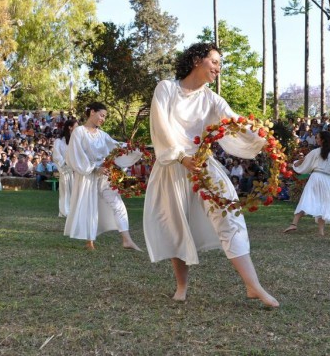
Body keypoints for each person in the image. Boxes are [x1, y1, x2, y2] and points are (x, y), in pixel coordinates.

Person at [143, 42, 278, 307]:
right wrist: (181, 157)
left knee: (230, 216)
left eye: (219, 63)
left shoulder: (212, 100)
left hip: (204, 166)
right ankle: (181, 286)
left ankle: (253, 286)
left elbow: (235, 124)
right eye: (214, 61)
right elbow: (160, 126)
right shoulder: (166, 89)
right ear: (196, 60)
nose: (218, 68)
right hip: (172, 166)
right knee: (177, 226)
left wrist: (266, 141)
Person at [64, 102, 141, 252]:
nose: (103, 119)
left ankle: (127, 239)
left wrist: (136, 150)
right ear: (92, 112)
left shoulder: (102, 135)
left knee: (118, 204)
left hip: (104, 177)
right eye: (102, 115)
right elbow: (76, 155)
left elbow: (116, 146)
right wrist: (94, 168)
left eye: (105, 116)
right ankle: (90, 241)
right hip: (87, 176)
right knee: (89, 207)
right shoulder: (79, 132)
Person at [282, 131, 330, 236]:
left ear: (323, 139)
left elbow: (305, 162)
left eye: (318, 138)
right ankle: (321, 231)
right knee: (323, 204)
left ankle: (294, 224)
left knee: (306, 199)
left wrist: (294, 164)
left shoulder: (316, 151)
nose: (316, 140)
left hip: (316, 177)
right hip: (326, 180)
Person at [52, 119, 78, 217]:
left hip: (75, 170)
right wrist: (65, 163)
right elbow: (56, 156)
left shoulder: (76, 141)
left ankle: (74, 211)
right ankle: (64, 212)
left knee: (75, 192)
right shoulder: (59, 141)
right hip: (65, 170)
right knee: (65, 192)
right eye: (76, 126)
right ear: (70, 127)